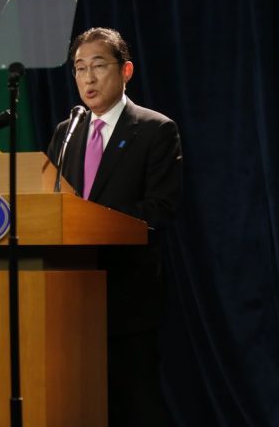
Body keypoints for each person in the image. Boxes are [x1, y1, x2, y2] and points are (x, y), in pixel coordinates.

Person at [46, 27, 182, 425]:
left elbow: (160, 209)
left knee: (132, 405)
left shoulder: (156, 129)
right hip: (68, 293)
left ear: (126, 71)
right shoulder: (66, 132)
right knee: (78, 406)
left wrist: (94, 222)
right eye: (79, 68)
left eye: (98, 66)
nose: (87, 78)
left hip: (126, 295)